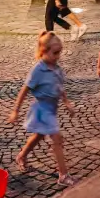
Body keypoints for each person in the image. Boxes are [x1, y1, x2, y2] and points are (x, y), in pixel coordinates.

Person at [8, 31, 76, 186]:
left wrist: (67, 103)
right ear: (43, 51)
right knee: (57, 140)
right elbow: (24, 90)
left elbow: (60, 87)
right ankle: (63, 175)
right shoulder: (38, 70)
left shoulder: (56, 69)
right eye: (55, 53)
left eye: (60, 52)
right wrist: (15, 111)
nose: (58, 56)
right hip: (42, 110)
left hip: (52, 109)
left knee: (38, 136)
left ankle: (22, 156)